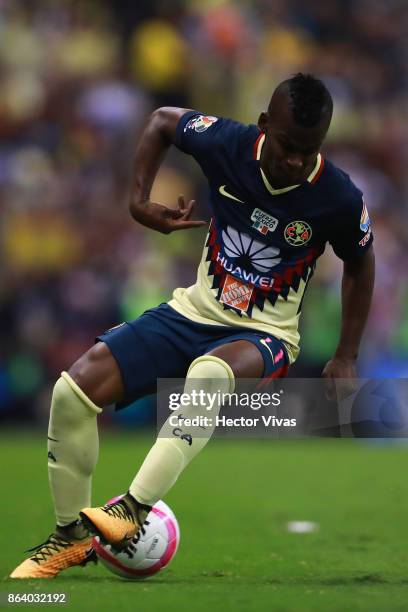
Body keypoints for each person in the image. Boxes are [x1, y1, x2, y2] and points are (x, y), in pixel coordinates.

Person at [11, 73, 374, 578]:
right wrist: (138, 200)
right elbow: (162, 122)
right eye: (288, 147)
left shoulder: (337, 195)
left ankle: (131, 511)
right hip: (194, 310)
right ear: (265, 126)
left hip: (266, 336)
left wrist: (347, 354)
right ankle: (69, 538)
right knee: (72, 394)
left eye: (308, 151)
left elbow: (360, 262)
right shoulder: (226, 142)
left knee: (208, 375)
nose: (296, 161)